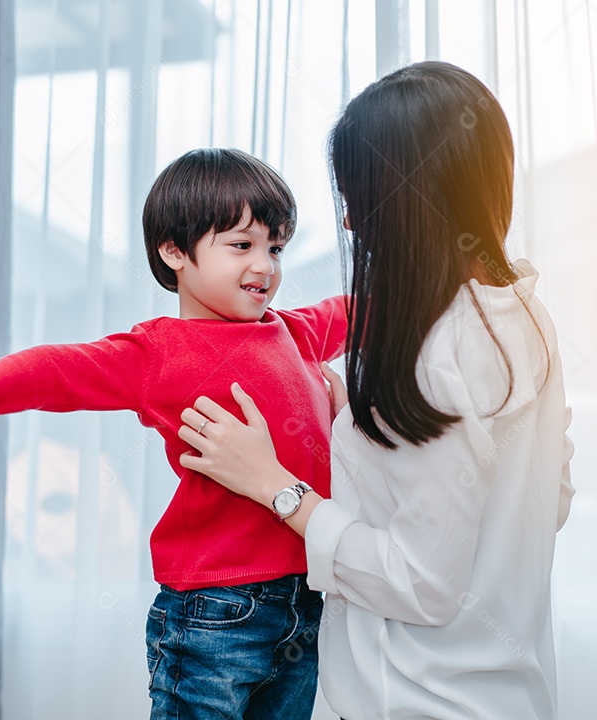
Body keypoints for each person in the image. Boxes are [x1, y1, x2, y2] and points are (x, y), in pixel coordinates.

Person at [0, 147, 349, 720]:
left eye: (275, 247)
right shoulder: (158, 353)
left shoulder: (295, 333)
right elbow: (54, 370)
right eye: (241, 246)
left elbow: (376, 305)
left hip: (306, 600)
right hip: (215, 611)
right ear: (174, 250)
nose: (265, 266)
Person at [176, 62, 576, 720]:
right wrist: (360, 430)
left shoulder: (427, 355)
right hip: (510, 695)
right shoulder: (522, 319)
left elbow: (422, 584)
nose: (348, 218)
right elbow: (540, 500)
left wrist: (275, 487)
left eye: (357, 193)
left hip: (418, 701)